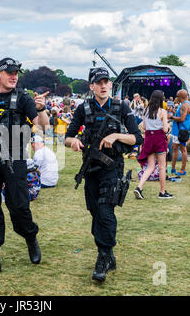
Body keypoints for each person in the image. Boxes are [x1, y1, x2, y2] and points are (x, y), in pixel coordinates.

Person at [0, 57, 49, 278]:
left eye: (16, 73)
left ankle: (30, 236)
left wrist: (42, 110)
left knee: (19, 207)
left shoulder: (23, 98)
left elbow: (43, 125)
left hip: (15, 159)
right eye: (10, 72)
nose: (14, 76)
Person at [65, 67, 143, 282]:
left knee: (105, 211)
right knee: (95, 212)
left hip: (112, 167)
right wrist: (75, 142)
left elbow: (138, 138)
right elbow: (68, 137)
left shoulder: (121, 107)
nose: (102, 85)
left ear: (110, 85)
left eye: (105, 82)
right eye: (98, 82)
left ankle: (104, 256)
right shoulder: (84, 108)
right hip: (90, 169)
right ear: (91, 86)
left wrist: (117, 135)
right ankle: (108, 255)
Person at [134, 90, 172, 199]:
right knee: (161, 166)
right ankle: (162, 192)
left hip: (149, 138)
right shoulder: (162, 112)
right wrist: (167, 127)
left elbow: (144, 127)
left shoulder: (146, 110)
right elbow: (165, 129)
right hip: (159, 138)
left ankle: (139, 187)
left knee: (150, 166)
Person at [169, 89, 190, 176]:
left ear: (180, 97)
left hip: (180, 130)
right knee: (175, 148)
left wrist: (171, 117)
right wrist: (174, 112)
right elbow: (181, 116)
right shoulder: (185, 104)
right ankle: (173, 168)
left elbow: (182, 119)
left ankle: (182, 169)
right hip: (181, 130)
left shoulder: (184, 105)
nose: (176, 97)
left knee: (182, 149)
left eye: (177, 96)